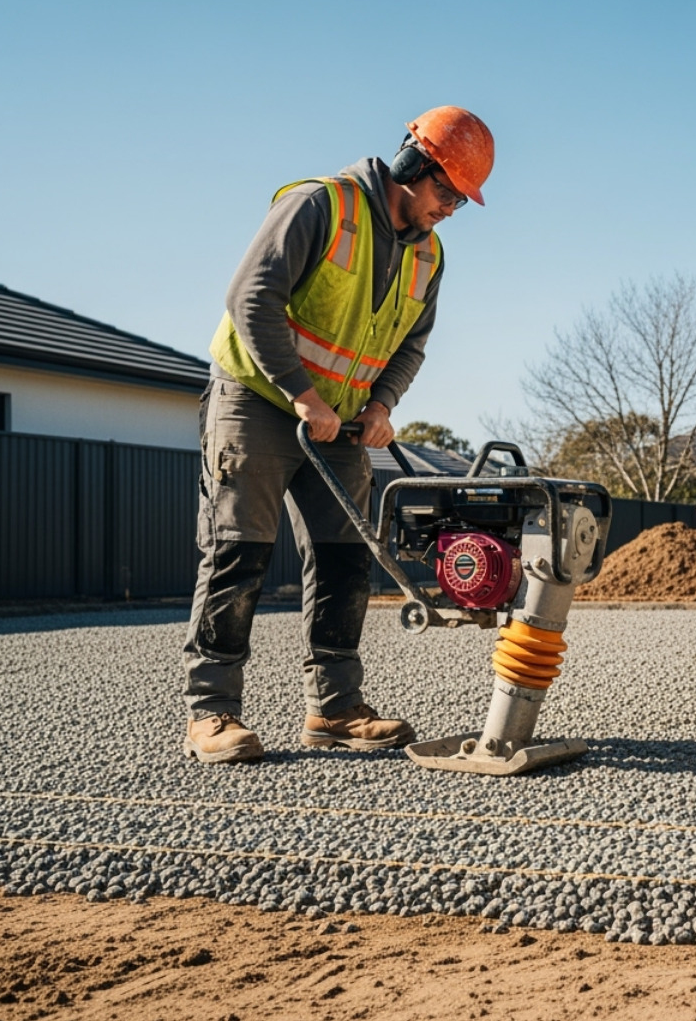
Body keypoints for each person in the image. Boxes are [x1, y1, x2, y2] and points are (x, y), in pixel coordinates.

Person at [181, 106, 494, 763]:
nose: (450, 210)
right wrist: (302, 394)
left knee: (346, 559)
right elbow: (250, 298)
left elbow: (412, 346)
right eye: (447, 192)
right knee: (239, 553)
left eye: (462, 202)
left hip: (344, 422)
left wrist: (382, 404)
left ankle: (335, 708)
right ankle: (212, 712)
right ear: (414, 166)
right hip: (260, 400)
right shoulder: (321, 205)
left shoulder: (429, 256)